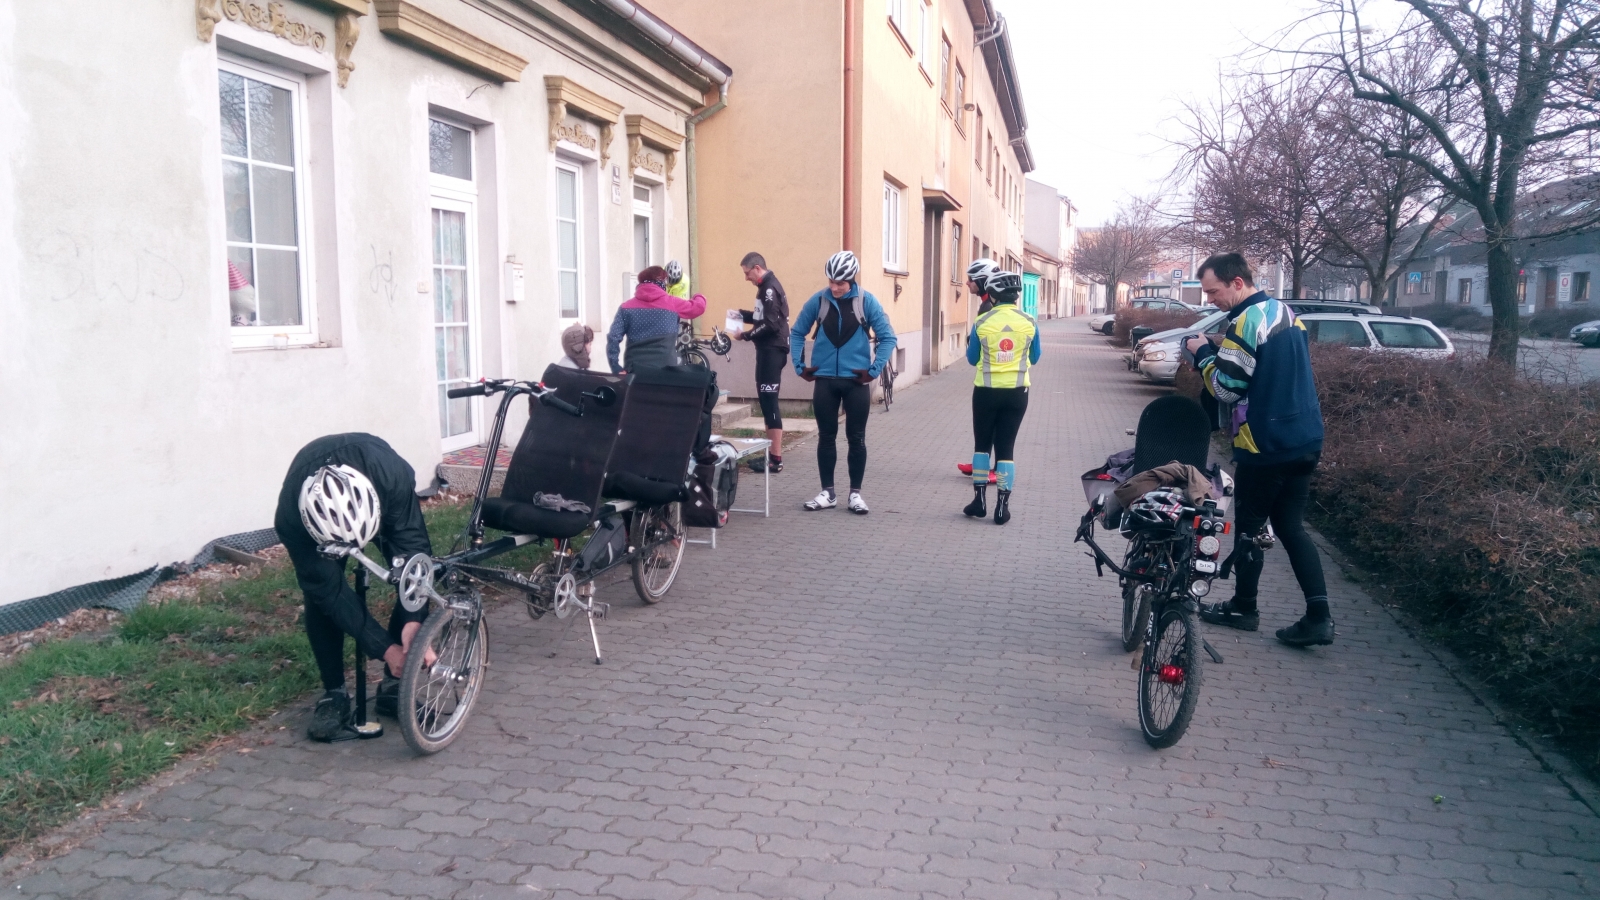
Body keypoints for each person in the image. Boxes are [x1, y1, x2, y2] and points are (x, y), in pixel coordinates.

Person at [1183, 252, 1333, 648]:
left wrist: (1202, 353)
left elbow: (1226, 389)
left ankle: (1243, 608)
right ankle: (1319, 617)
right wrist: (1221, 350)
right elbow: (1269, 368)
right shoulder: (1286, 313)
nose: (1210, 299)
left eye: (1213, 291)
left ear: (1237, 282)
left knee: (1250, 529)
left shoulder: (1246, 320)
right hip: (1305, 438)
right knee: (1291, 527)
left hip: (1265, 443)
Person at [274, 434, 433, 741]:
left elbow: (415, 557)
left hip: (380, 481)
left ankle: (393, 687)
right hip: (312, 513)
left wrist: (415, 620)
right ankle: (334, 693)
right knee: (320, 597)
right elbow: (330, 593)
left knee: (408, 576)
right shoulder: (291, 521)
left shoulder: (392, 479)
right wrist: (386, 649)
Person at [789, 250, 896, 514]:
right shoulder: (819, 301)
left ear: (852, 279)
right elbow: (797, 332)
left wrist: (874, 370)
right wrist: (799, 366)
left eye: (841, 283)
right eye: (831, 282)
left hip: (856, 382)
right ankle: (828, 493)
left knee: (856, 439)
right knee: (826, 437)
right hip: (825, 380)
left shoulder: (866, 302)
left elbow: (888, 337)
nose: (835, 288)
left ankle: (855, 495)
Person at [962, 271, 1040, 525]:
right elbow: (1035, 357)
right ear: (1016, 296)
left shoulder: (982, 322)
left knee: (982, 445)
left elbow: (972, 359)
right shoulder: (1029, 321)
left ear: (993, 295)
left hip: (986, 392)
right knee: (1006, 448)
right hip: (1017, 394)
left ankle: (979, 502)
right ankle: (1002, 508)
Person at [737, 252, 791, 473]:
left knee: (770, 402)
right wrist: (741, 315)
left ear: (757, 268)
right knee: (766, 402)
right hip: (767, 350)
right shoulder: (765, 287)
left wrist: (746, 335)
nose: (746, 278)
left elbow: (770, 325)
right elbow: (765, 317)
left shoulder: (769, 288)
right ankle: (771, 455)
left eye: (747, 273)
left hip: (772, 350)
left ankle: (776, 460)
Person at [608, 265, 707, 373]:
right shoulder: (672, 303)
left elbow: (613, 337)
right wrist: (698, 296)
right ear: (663, 281)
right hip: (666, 372)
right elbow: (699, 307)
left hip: (635, 373)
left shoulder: (625, 308)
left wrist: (616, 367)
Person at [957, 258, 1004, 481]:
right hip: (989, 375)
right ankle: (981, 462)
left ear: (983, 280)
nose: (967, 283)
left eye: (971, 279)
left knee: (991, 425)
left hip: (994, 378)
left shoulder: (990, 306)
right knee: (985, 425)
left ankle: (993, 468)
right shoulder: (987, 302)